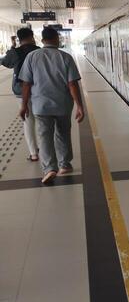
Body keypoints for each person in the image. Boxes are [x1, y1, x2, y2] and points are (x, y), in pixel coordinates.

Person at [18, 26, 84, 185]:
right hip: (62, 105)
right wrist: (79, 106)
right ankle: (65, 165)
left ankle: (49, 169)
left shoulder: (32, 57)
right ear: (57, 39)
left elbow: (26, 84)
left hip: (40, 106)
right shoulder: (65, 57)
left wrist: (24, 105)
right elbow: (72, 84)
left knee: (44, 136)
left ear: (42, 40)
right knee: (63, 133)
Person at [1, 27, 40, 162]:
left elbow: (5, 62)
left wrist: (13, 47)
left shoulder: (15, 52)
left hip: (20, 90)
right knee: (42, 120)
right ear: (32, 36)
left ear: (19, 39)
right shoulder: (39, 51)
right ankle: (45, 148)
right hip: (38, 90)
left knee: (28, 122)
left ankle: (34, 153)